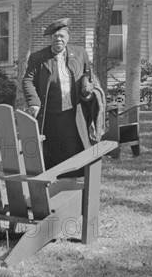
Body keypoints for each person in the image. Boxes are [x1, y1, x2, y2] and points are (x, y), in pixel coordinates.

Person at [22, 18, 105, 171]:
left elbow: (89, 76)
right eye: (55, 36)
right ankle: (51, 180)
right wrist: (34, 102)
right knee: (50, 151)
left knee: (76, 148)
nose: (58, 39)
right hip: (50, 115)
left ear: (68, 37)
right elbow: (27, 80)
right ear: (50, 38)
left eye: (62, 36)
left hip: (74, 113)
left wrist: (89, 90)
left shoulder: (80, 54)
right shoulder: (38, 58)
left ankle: (76, 179)